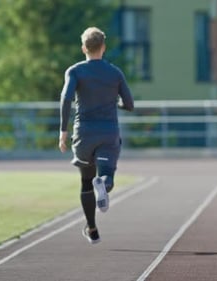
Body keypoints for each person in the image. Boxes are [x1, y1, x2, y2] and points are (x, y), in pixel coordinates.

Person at [58, 27, 134, 244]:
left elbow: (65, 99)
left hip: (84, 134)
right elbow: (129, 104)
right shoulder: (115, 73)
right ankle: (104, 182)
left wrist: (63, 131)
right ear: (104, 47)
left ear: (84, 48)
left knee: (85, 181)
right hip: (108, 133)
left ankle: (92, 229)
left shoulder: (74, 71)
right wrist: (114, 102)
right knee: (106, 175)